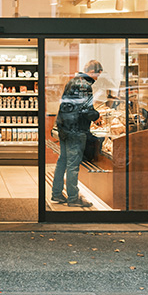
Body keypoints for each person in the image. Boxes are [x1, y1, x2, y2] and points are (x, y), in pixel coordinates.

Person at [51, 60, 103, 207]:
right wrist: (97, 117)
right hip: (76, 129)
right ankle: (73, 198)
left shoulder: (72, 81)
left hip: (64, 126)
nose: (97, 78)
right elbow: (85, 109)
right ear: (92, 72)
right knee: (73, 164)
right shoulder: (85, 85)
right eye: (97, 75)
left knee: (62, 161)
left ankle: (56, 193)